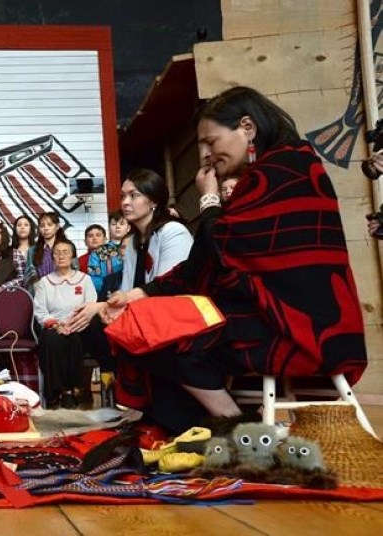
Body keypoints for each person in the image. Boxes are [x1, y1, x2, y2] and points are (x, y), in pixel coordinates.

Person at [70, 86, 368, 433]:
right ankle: (214, 425)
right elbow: (206, 262)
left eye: (211, 142)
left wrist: (209, 200)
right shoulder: (284, 167)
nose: (208, 155)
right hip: (284, 316)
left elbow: (221, 249)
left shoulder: (283, 171)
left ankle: (234, 424)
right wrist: (140, 295)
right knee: (141, 322)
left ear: (247, 127)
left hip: (295, 326)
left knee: (156, 332)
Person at [33, 239, 108, 409]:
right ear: (52, 257)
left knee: (74, 339)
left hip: (79, 325)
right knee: (52, 340)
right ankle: (55, 392)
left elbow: (90, 305)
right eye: (57, 253)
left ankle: (72, 390)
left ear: (73, 256)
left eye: (66, 252)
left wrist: (72, 324)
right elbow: (40, 311)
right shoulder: (44, 282)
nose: (61, 256)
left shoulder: (85, 279)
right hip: (54, 326)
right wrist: (56, 325)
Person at [118, 169, 193, 292]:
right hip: (141, 309)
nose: (125, 202)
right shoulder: (132, 241)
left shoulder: (173, 232)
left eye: (133, 195)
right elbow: (127, 291)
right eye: (123, 196)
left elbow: (168, 290)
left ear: (154, 201)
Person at [24, 212, 72, 288]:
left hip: (64, 291)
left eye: (49, 224)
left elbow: (74, 271)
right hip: (40, 291)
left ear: (57, 226)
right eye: (42, 225)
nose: (46, 228)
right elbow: (29, 275)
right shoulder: (32, 251)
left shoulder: (68, 247)